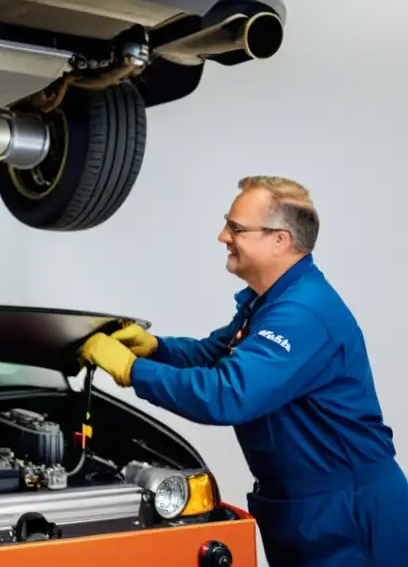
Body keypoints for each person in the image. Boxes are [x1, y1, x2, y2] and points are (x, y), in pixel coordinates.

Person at [80, 175, 408, 566]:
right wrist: (155, 349)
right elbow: (213, 353)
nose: (222, 236)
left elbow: (228, 394)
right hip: (304, 506)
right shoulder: (268, 302)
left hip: (347, 510)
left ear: (280, 240)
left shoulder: (302, 313)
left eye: (235, 227)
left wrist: (133, 371)